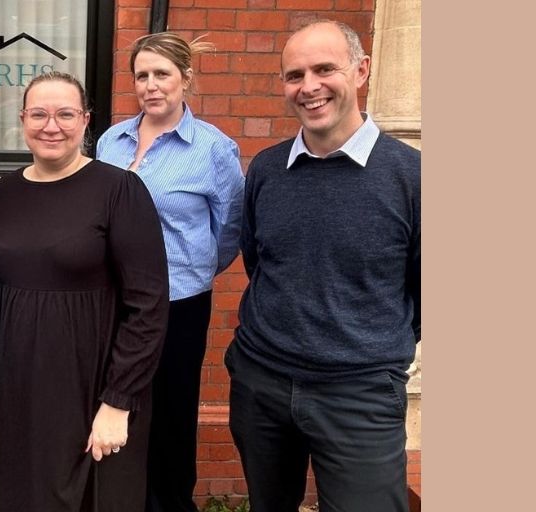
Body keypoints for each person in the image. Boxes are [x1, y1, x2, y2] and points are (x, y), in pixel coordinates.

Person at [225, 19, 421, 512]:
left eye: (324, 69)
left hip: (360, 394)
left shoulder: (412, 177)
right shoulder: (267, 169)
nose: (309, 86)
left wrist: (365, 343)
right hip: (262, 383)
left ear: (361, 71)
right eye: (295, 75)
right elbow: (259, 262)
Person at [0, 71, 170, 512]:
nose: (51, 126)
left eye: (65, 114)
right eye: (39, 114)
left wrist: (118, 401)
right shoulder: (5, 192)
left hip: (87, 386)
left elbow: (148, 306)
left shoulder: (119, 190)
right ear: (23, 119)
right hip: (14, 386)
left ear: (85, 120)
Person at [95, 32, 245, 512]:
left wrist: (188, 271)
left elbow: (229, 230)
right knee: (116, 405)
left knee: (171, 414)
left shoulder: (213, 149)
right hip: (113, 300)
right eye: (142, 75)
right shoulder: (111, 141)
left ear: (186, 78)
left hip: (178, 304)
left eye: (162, 74)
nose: (151, 85)